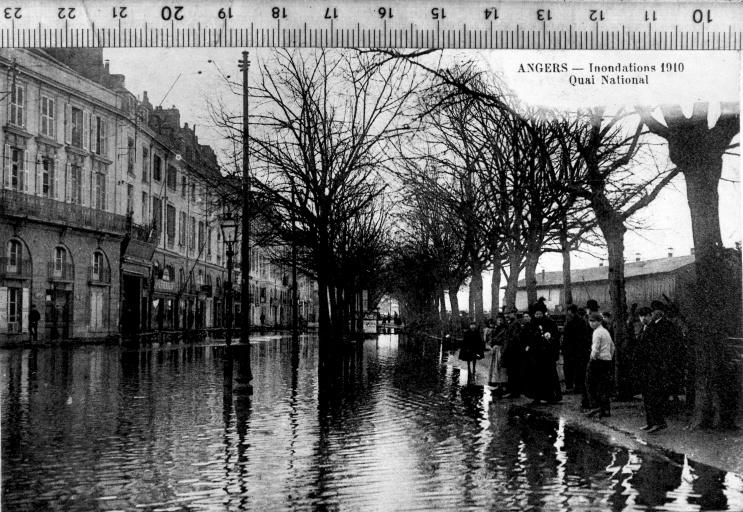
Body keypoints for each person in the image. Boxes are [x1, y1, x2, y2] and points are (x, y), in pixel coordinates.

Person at [636, 302, 678, 433]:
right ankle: (650, 422)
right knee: (647, 397)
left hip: (653, 369)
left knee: (654, 397)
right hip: (645, 368)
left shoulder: (654, 329)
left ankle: (659, 422)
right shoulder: (644, 329)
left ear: (650, 316)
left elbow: (656, 350)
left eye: (645, 316)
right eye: (641, 316)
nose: (643, 319)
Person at [524, 302, 561, 405]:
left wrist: (550, 338)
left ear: (543, 313)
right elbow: (527, 336)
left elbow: (556, 337)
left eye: (540, 314)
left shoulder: (550, 323)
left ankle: (548, 396)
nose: (538, 316)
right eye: (536, 314)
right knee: (535, 376)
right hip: (535, 354)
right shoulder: (531, 324)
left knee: (547, 376)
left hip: (547, 354)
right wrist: (528, 345)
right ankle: (536, 396)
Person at [585, 311, 615, 418]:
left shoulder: (597, 332)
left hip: (597, 361)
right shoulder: (606, 331)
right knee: (604, 386)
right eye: (590, 321)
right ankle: (605, 409)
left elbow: (595, 348)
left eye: (594, 321)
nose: (592, 323)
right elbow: (612, 346)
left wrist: (593, 358)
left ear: (599, 322)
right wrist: (609, 357)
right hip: (607, 361)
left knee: (591, 385)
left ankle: (596, 407)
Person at [562, 304, 592, 395]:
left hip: (573, 349)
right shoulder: (581, 321)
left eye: (569, 311)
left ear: (571, 311)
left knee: (570, 368)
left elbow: (569, 336)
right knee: (577, 368)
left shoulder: (572, 321)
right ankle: (577, 386)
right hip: (577, 349)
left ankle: (571, 387)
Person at [501, 308, 525, 398]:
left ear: (514, 314)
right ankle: (512, 390)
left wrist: (508, 346)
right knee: (511, 371)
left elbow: (515, 338)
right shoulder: (510, 323)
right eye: (506, 314)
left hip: (513, 351)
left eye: (509, 314)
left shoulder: (515, 324)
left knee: (513, 372)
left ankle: (514, 392)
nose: (507, 315)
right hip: (510, 350)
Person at [488, 315, 508, 393]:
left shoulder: (505, 329)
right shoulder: (495, 329)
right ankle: (496, 384)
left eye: (501, 320)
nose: (499, 322)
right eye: (498, 320)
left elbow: (504, 340)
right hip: (495, 349)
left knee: (500, 366)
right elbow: (492, 339)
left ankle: (502, 385)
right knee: (495, 367)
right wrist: (492, 345)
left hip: (501, 349)